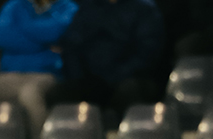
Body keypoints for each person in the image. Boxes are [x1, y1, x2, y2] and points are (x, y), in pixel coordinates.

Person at [0, 0, 79, 139]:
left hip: (47, 74)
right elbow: (4, 38)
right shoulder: (13, 6)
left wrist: (22, 26)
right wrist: (43, 42)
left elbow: (55, 32)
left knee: (30, 94)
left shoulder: (69, 8)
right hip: (11, 74)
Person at [45, 0, 165, 129]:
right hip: (91, 78)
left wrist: (116, 76)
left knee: (130, 91)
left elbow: (148, 52)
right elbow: (72, 46)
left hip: (128, 77)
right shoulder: (88, 7)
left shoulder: (144, 8)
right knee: (60, 93)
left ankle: (130, 138)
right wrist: (79, 76)